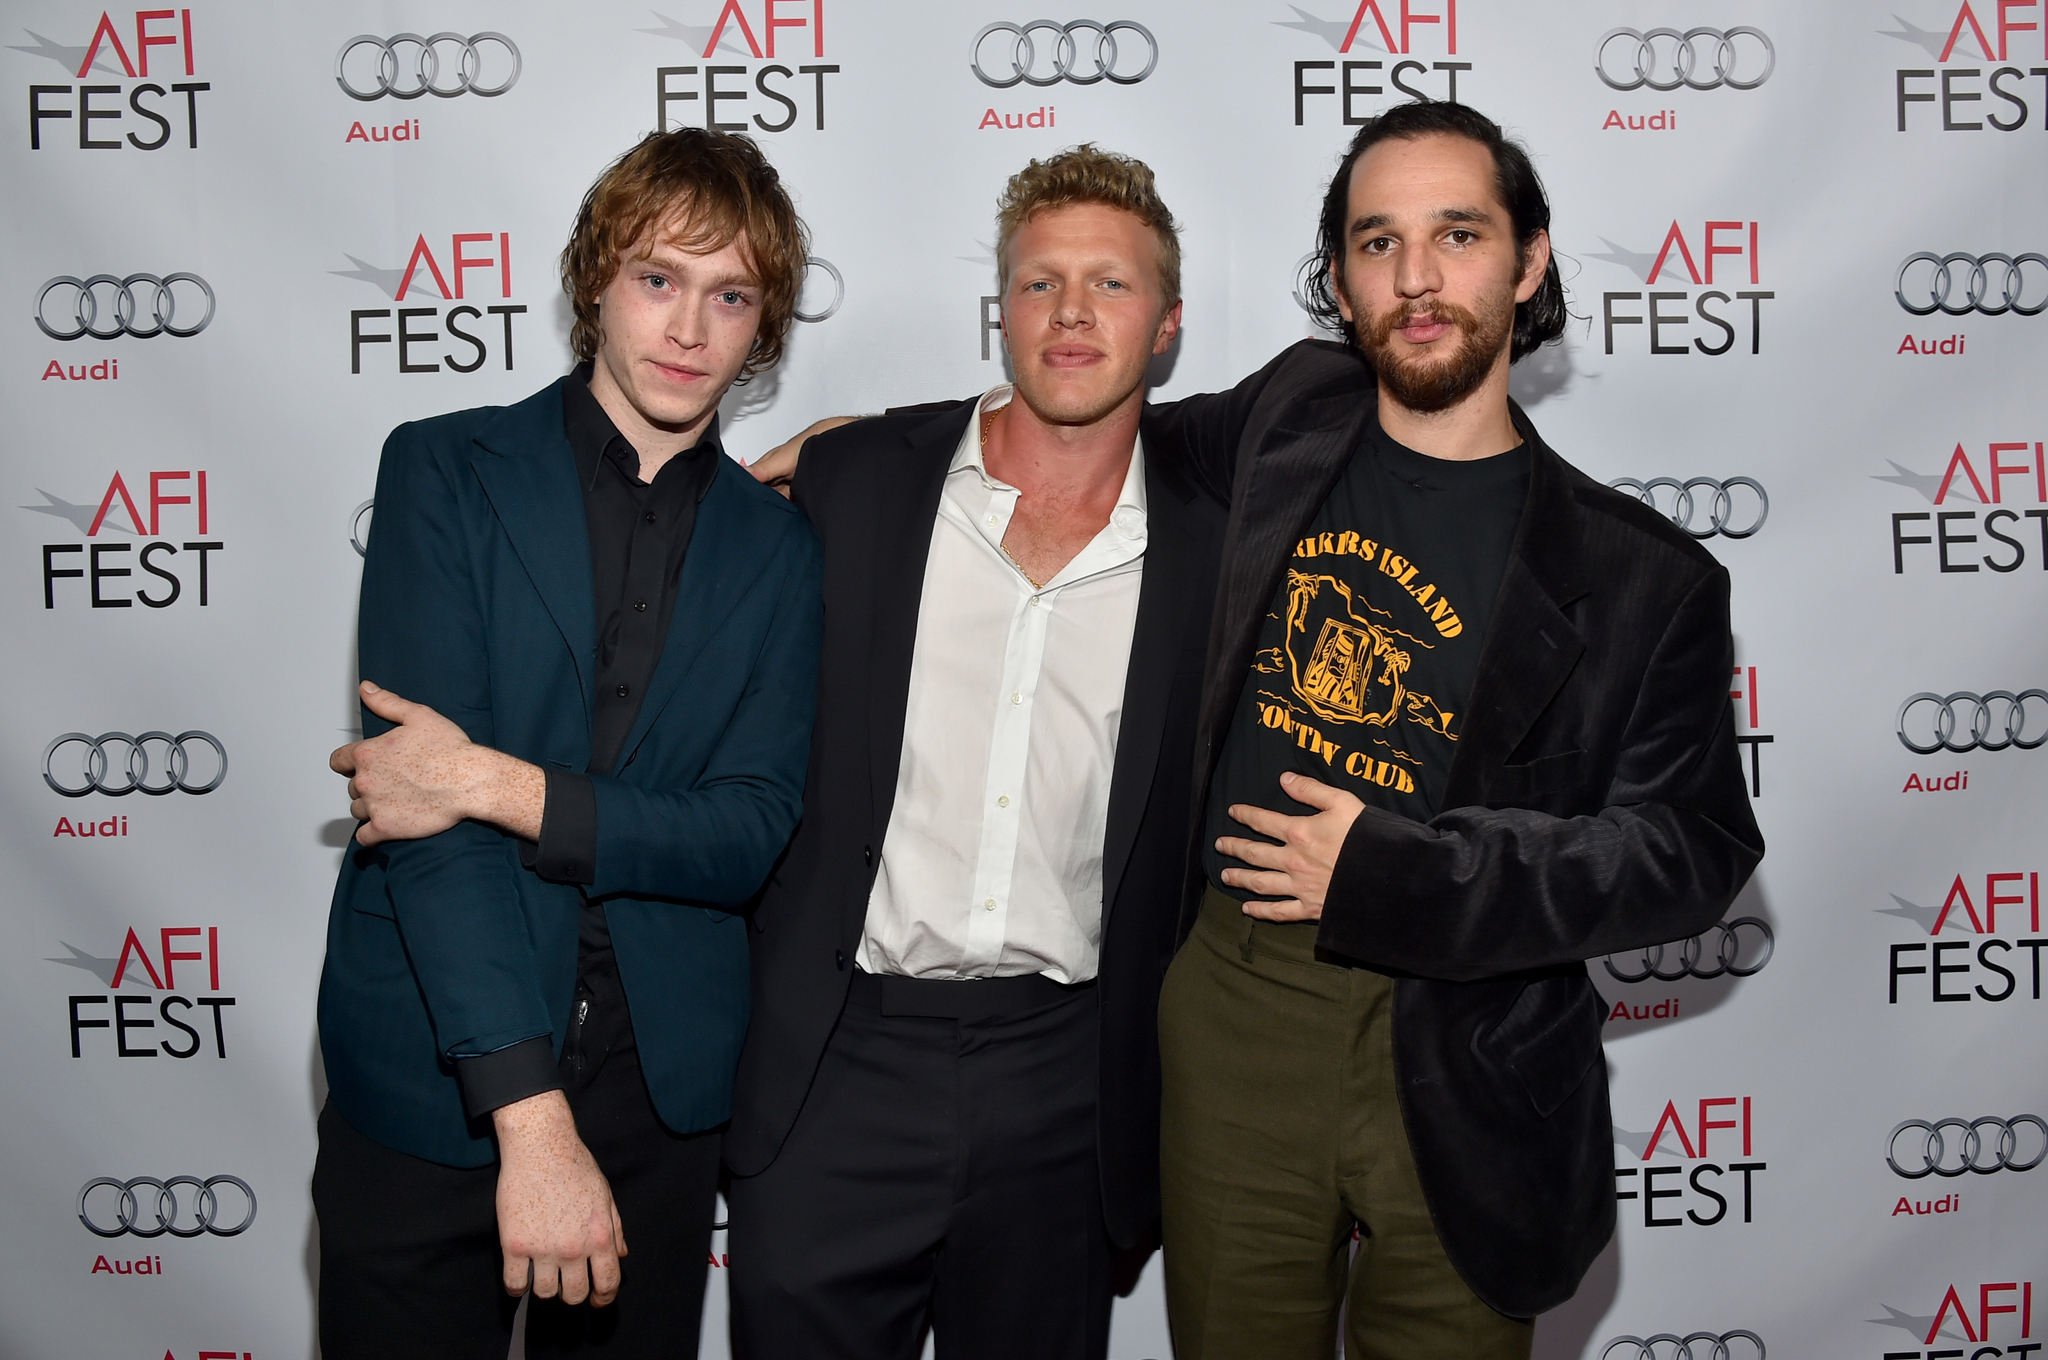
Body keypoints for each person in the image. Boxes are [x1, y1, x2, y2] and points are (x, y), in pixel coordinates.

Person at [1142, 101, 1766, 1358]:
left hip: (1480, 1046)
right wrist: (894, 451)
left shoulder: (1642, 575)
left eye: (1457, 234)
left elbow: (1692, 849)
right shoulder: (1288, 415)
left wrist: (1391, 872)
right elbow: (1095, 431)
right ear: (1336, 277)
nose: (1415, 278)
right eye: (1376, 243)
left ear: (1527, 260)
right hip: (1239, 1007)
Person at [314, 127, 822, 1360]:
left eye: (730, 295)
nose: (688, 328)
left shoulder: (785, 548)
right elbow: (424, 831)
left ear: (763, 328)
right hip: (438, 1071)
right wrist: (530, 1122)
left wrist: (500, 783)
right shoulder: (443, 469)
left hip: (660, 1095)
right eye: (659, 278)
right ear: (594, 279)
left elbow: (747, 832)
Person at [723, 146, 1224, 1360]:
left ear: (1164, 326)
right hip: (838, 1059)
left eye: (1108, 285)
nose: (1068, 313)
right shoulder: (856, 480)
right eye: (1038, 282)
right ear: (999, 310)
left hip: (1065, 1081)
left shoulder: (1216, 545)